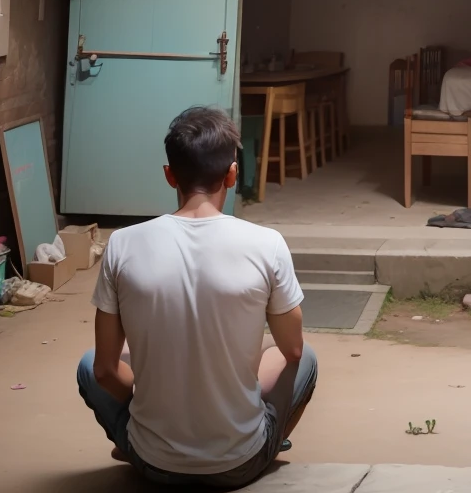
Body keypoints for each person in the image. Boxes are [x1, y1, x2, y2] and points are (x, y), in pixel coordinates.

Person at [78, 107, 317, 487]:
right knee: (306, 359)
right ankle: (265, 444)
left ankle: (134, 442)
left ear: (170, 175)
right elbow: (293, 352)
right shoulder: (267, 244)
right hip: (239, 465)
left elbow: (106, 371)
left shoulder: (123, 244)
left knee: (91, 363)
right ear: (233, 175)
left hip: (154, 465)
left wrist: (148, 391)